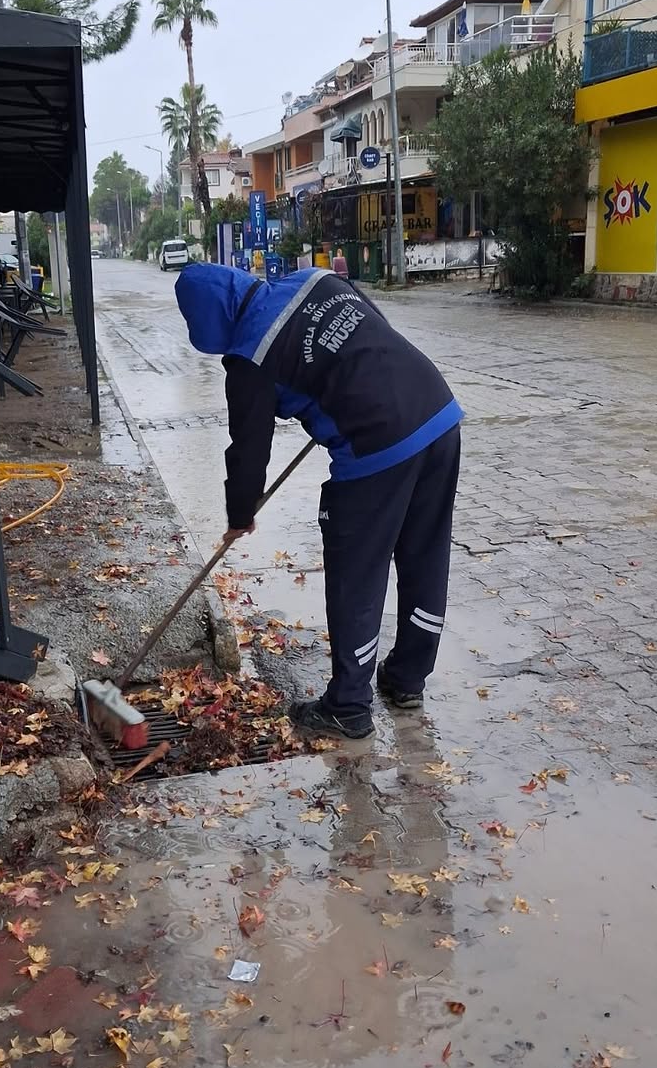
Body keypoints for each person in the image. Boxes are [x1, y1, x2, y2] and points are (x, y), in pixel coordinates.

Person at [175, 262, 462, 740]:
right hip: (438, 412)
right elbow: (372, 328)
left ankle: (348, 706)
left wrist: (240, 514)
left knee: (356, 573)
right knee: (425, 557)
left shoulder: (249, 355)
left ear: (209, 323)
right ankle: (407, 679)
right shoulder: (315, 279)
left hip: (377, 443)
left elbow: (249, 449)